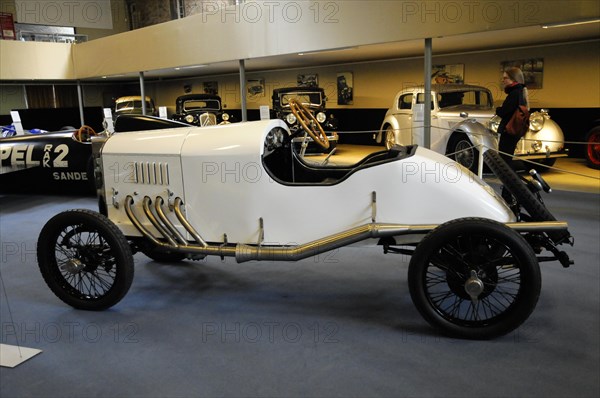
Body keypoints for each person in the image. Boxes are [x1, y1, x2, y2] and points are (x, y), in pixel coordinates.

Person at [496, 67, 529, 167]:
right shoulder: (521, 91)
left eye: (505, 78)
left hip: (509, 129)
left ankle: (507, 180)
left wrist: (498, 109)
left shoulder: (514, 93)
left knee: (504, 159)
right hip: (516, 129)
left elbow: (505, 111)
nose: (503, 80)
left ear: (513, 79)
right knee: (507, 157)